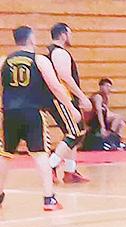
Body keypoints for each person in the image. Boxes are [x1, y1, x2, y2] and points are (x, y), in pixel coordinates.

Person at [0, 26, 73, 211]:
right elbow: (56, 87)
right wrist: (71, 107)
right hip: (33, 112)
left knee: (5, 154)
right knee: (40, 154)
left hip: (10, 113)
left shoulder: (4, 61)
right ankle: (49, 198)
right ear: (31, 39)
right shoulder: (39, 60)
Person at [47, 22, 92, 183]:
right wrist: (82, 97)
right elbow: (65, 76)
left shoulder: (55, 52)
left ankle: (70, 171)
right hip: (62, 98)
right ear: (63, 35)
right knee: (75, 133)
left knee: (76, 132)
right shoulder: (59, 52)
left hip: (64, 98)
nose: (71, 37)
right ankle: (50, 165)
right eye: (70, 33)